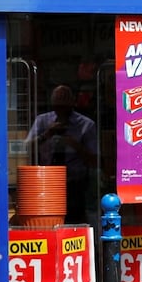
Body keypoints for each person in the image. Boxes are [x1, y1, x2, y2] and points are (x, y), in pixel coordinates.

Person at [25, 84, 98, 224]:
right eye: (58, 107)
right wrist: (46, 134)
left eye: (65, 107)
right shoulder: (42, 121)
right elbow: (25, 148)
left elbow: (94, 160)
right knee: (48, 220)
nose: (62, 112)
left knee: (74, 221)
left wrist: (74, 144)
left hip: (75, 184)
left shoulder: (86, 125)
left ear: (72, 103)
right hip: (46, 181)